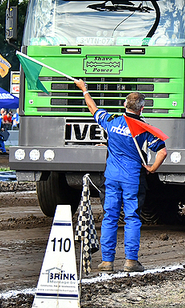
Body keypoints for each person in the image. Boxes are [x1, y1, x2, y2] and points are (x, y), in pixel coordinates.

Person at [74, 79, 167, 273]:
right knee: (132, 217)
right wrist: (152, 169)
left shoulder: (112, 120)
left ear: (124, 105)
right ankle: (130, 261)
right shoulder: (144, 129)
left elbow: (93, 109)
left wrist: (84, 90)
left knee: (110, 217)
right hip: (133, 177)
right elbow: (162, 152)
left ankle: (107, 261)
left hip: (111, 177)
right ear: (141, 110)